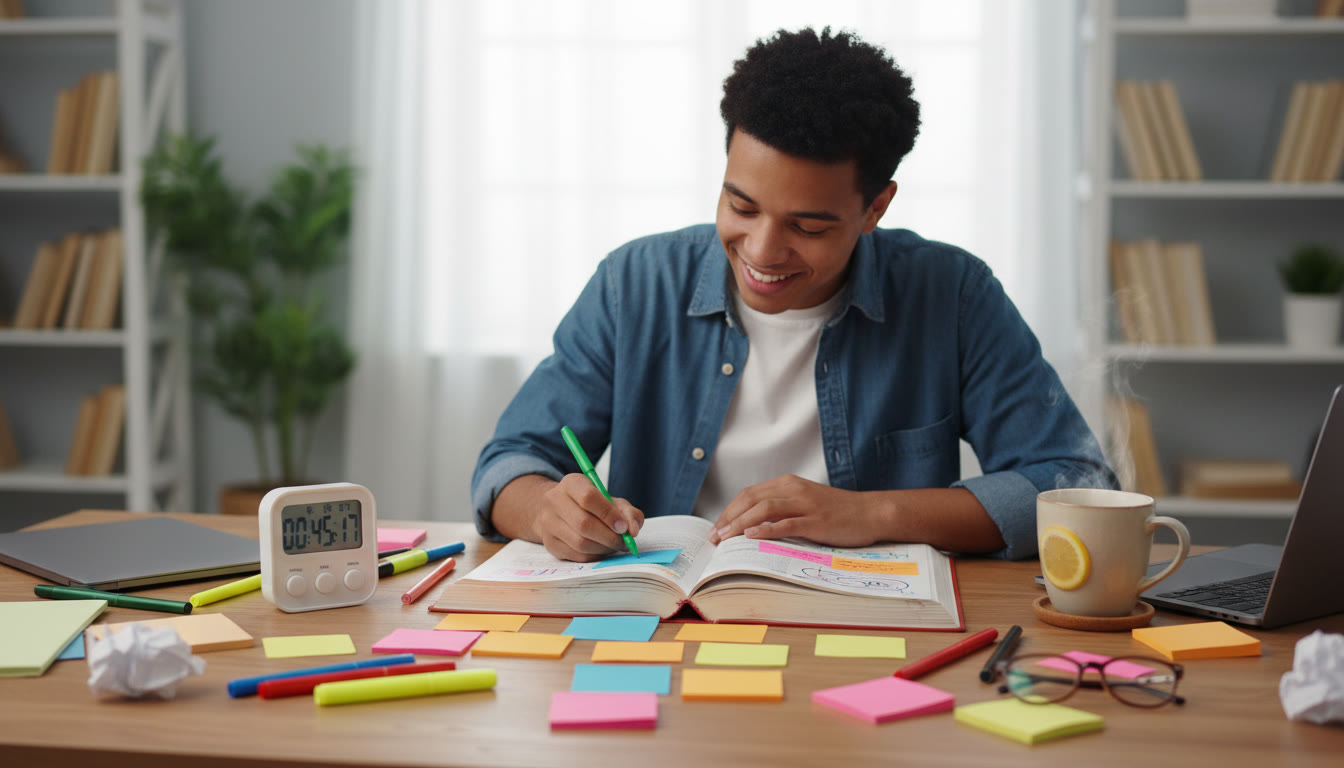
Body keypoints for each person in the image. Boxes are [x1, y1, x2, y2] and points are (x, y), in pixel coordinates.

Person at [471, 26, 1116, 563]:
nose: (761, 250)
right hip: (665, 623)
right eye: (740, 205)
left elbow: (1074, 483)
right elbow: (509, 463)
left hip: (869, 630)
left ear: (875, 207)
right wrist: (545, 509)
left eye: (808, 226)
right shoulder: (633, 284)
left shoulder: (952, 295)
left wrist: (872, 513)